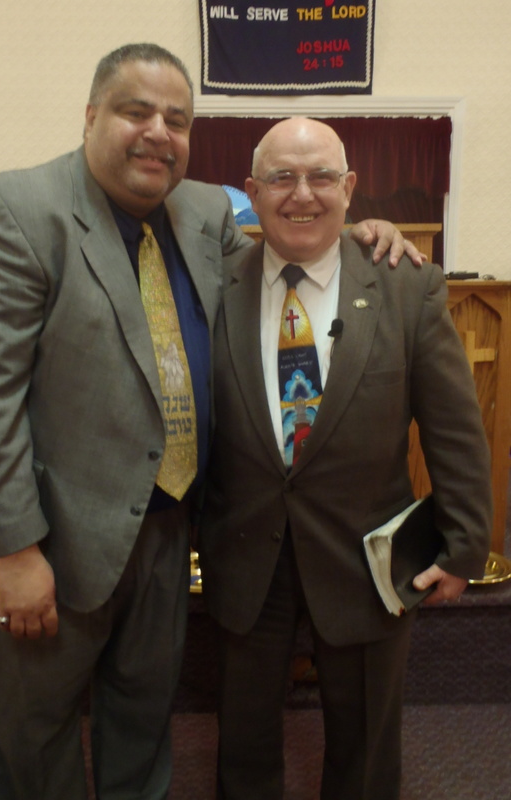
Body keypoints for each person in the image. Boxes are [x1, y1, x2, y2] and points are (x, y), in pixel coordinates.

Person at [0, 43, 421, 800]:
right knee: (38, 743)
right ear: (91, 116)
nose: (159, 131)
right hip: (50, 537)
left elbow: (288, 249)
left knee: (142, 730)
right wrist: (15, 549)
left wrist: (360, 234)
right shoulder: (14, 210)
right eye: (136, 111)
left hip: (165, 534)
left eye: (178, 119)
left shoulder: (203, 212)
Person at [197, 117, 492, 800]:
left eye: (321, 176)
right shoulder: (211, 286)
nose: (302, 194)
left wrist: (465, 543)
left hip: (367, 558)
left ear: (350, 188)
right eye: (281, 177)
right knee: (242, 743)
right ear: (252, 193)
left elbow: (454, 428)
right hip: (245, 553)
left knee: (364, 751)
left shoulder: (407, 285)